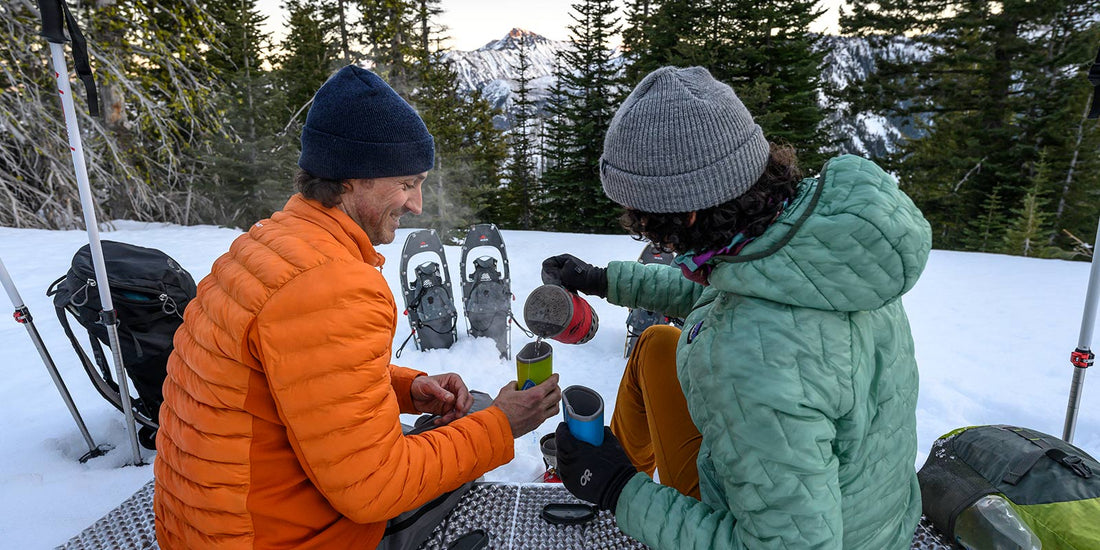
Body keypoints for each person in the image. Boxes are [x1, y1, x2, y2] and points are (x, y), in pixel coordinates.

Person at [153, 65, 561, 550]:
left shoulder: (269, 248)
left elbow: (293, 377)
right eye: (407, 182)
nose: (417, 204)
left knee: (455, 417)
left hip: (209, 524)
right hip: (280, 537)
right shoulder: (333, 285)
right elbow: (374, 489)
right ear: (350, 179)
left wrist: (409, 388)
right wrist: (502, 427)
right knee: (481, 420)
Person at [543, 66, 931, 549]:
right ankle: (616, 466)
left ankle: (608, 481)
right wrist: (605, 280)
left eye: (643, 221)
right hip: (870, 510)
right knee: (657, 344)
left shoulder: (750, 362)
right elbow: (729, 292)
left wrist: (619, 490)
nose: (645, 233)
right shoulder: (825, 250)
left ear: (685, 212)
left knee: (639, 437)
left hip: (818, 535)